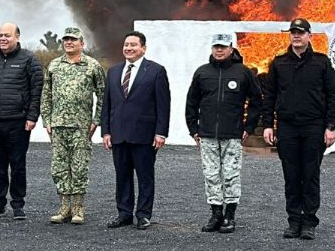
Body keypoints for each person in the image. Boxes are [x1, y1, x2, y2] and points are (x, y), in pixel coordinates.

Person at [262, 18, 335, 240]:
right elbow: (269, 96)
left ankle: (309, 222)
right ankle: (293, 220)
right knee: (291, 175)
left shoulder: (321, 62)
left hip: (314, 127)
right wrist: (269, 124)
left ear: (309, 36)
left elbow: (334, 96)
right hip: (287, 127)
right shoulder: (278, 64)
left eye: (300, 32)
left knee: (311, 174)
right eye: (293, 33)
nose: (296, 36)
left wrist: (330, 126)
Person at [185, 33, 263, 234]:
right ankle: (215, 214)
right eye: (215, 47)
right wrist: (193, 129)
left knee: (231, 175)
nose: (219, 50)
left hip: (233, 135)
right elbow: (191, 102)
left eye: (223, 47)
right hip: (208, 134)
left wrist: (249, 128)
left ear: (231, 48)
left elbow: (256, 101)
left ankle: (230, 216)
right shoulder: (202, 73)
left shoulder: (243, 73)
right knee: (211, 175)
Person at [100, 31, 170, 230]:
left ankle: (143, 214)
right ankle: (124, 213)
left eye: (133, 45)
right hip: (119, 134)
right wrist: (106, 131)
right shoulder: (113, 71)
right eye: (126, 45)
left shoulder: (156, 71)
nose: (129, 48)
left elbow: (163, 105)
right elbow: (107, 105)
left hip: (145, 135)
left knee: (145, 176)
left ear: (143, 48)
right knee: (122, 176)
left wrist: (161, 132)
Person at [0, 22, 43, 220]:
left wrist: (32, 117)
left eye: (7, 35)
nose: (3, 39)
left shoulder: (29, 60)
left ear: (17, 37)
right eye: (0, 35)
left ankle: (18, 205)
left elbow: (36, 90)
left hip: (18, 122)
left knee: (18, 164)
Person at [41, 27, 106, 225]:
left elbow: (103, 95)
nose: (69, 43)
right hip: (58, 126)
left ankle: (78, 208)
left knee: (79, 167)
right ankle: (64, 207)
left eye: (73, 40)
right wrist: (47, 120)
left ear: (82, 43)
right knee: (59, 167)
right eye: (66, 39)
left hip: (81, 127)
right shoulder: (54, 66)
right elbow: (46, 94)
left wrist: (96, 121)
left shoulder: (92, 66)